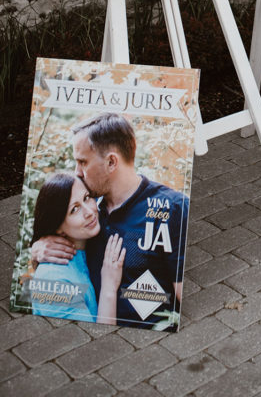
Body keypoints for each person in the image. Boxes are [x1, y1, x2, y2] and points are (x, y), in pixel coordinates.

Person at [31, 113, 189, 329]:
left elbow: (187, 298)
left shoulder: (173, 208)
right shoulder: (91, 213)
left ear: (111, 162)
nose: (77, 172)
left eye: (82, 162)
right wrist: (37, 248)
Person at [29, 172, 124, 324]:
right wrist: (109, 287)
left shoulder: (87, 247)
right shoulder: (54, 282)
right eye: (74, 209)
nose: (89, 212)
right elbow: (92, 344)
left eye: (87, 198)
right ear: (57, 225)